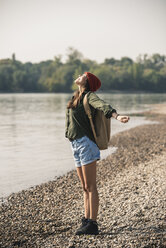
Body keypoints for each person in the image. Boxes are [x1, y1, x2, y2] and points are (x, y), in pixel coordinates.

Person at [65, 72, 130, 235]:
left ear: (87, 82)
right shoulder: (76, 97)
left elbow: (103, 106)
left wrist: (117, 116)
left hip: (86, 144)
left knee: (91, 185)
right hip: (76, 145)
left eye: (83, 75)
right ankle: (86, 219)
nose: (79, 75)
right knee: (84, 186)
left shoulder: (89, 96)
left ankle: (93, 224)